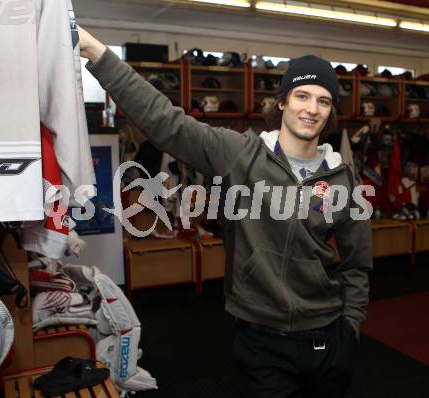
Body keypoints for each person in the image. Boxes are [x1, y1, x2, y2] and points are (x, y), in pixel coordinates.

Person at [78, 27, 372, 398]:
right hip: (262, 342)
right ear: (281, 101)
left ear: (331, 113)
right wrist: (96, 52)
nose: (311, 108)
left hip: (327, 339)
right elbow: (165, 122)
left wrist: (350, 330)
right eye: (302, 95)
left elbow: (358, 265)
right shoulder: (239, 155)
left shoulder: (344, 181)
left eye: (323, 100)